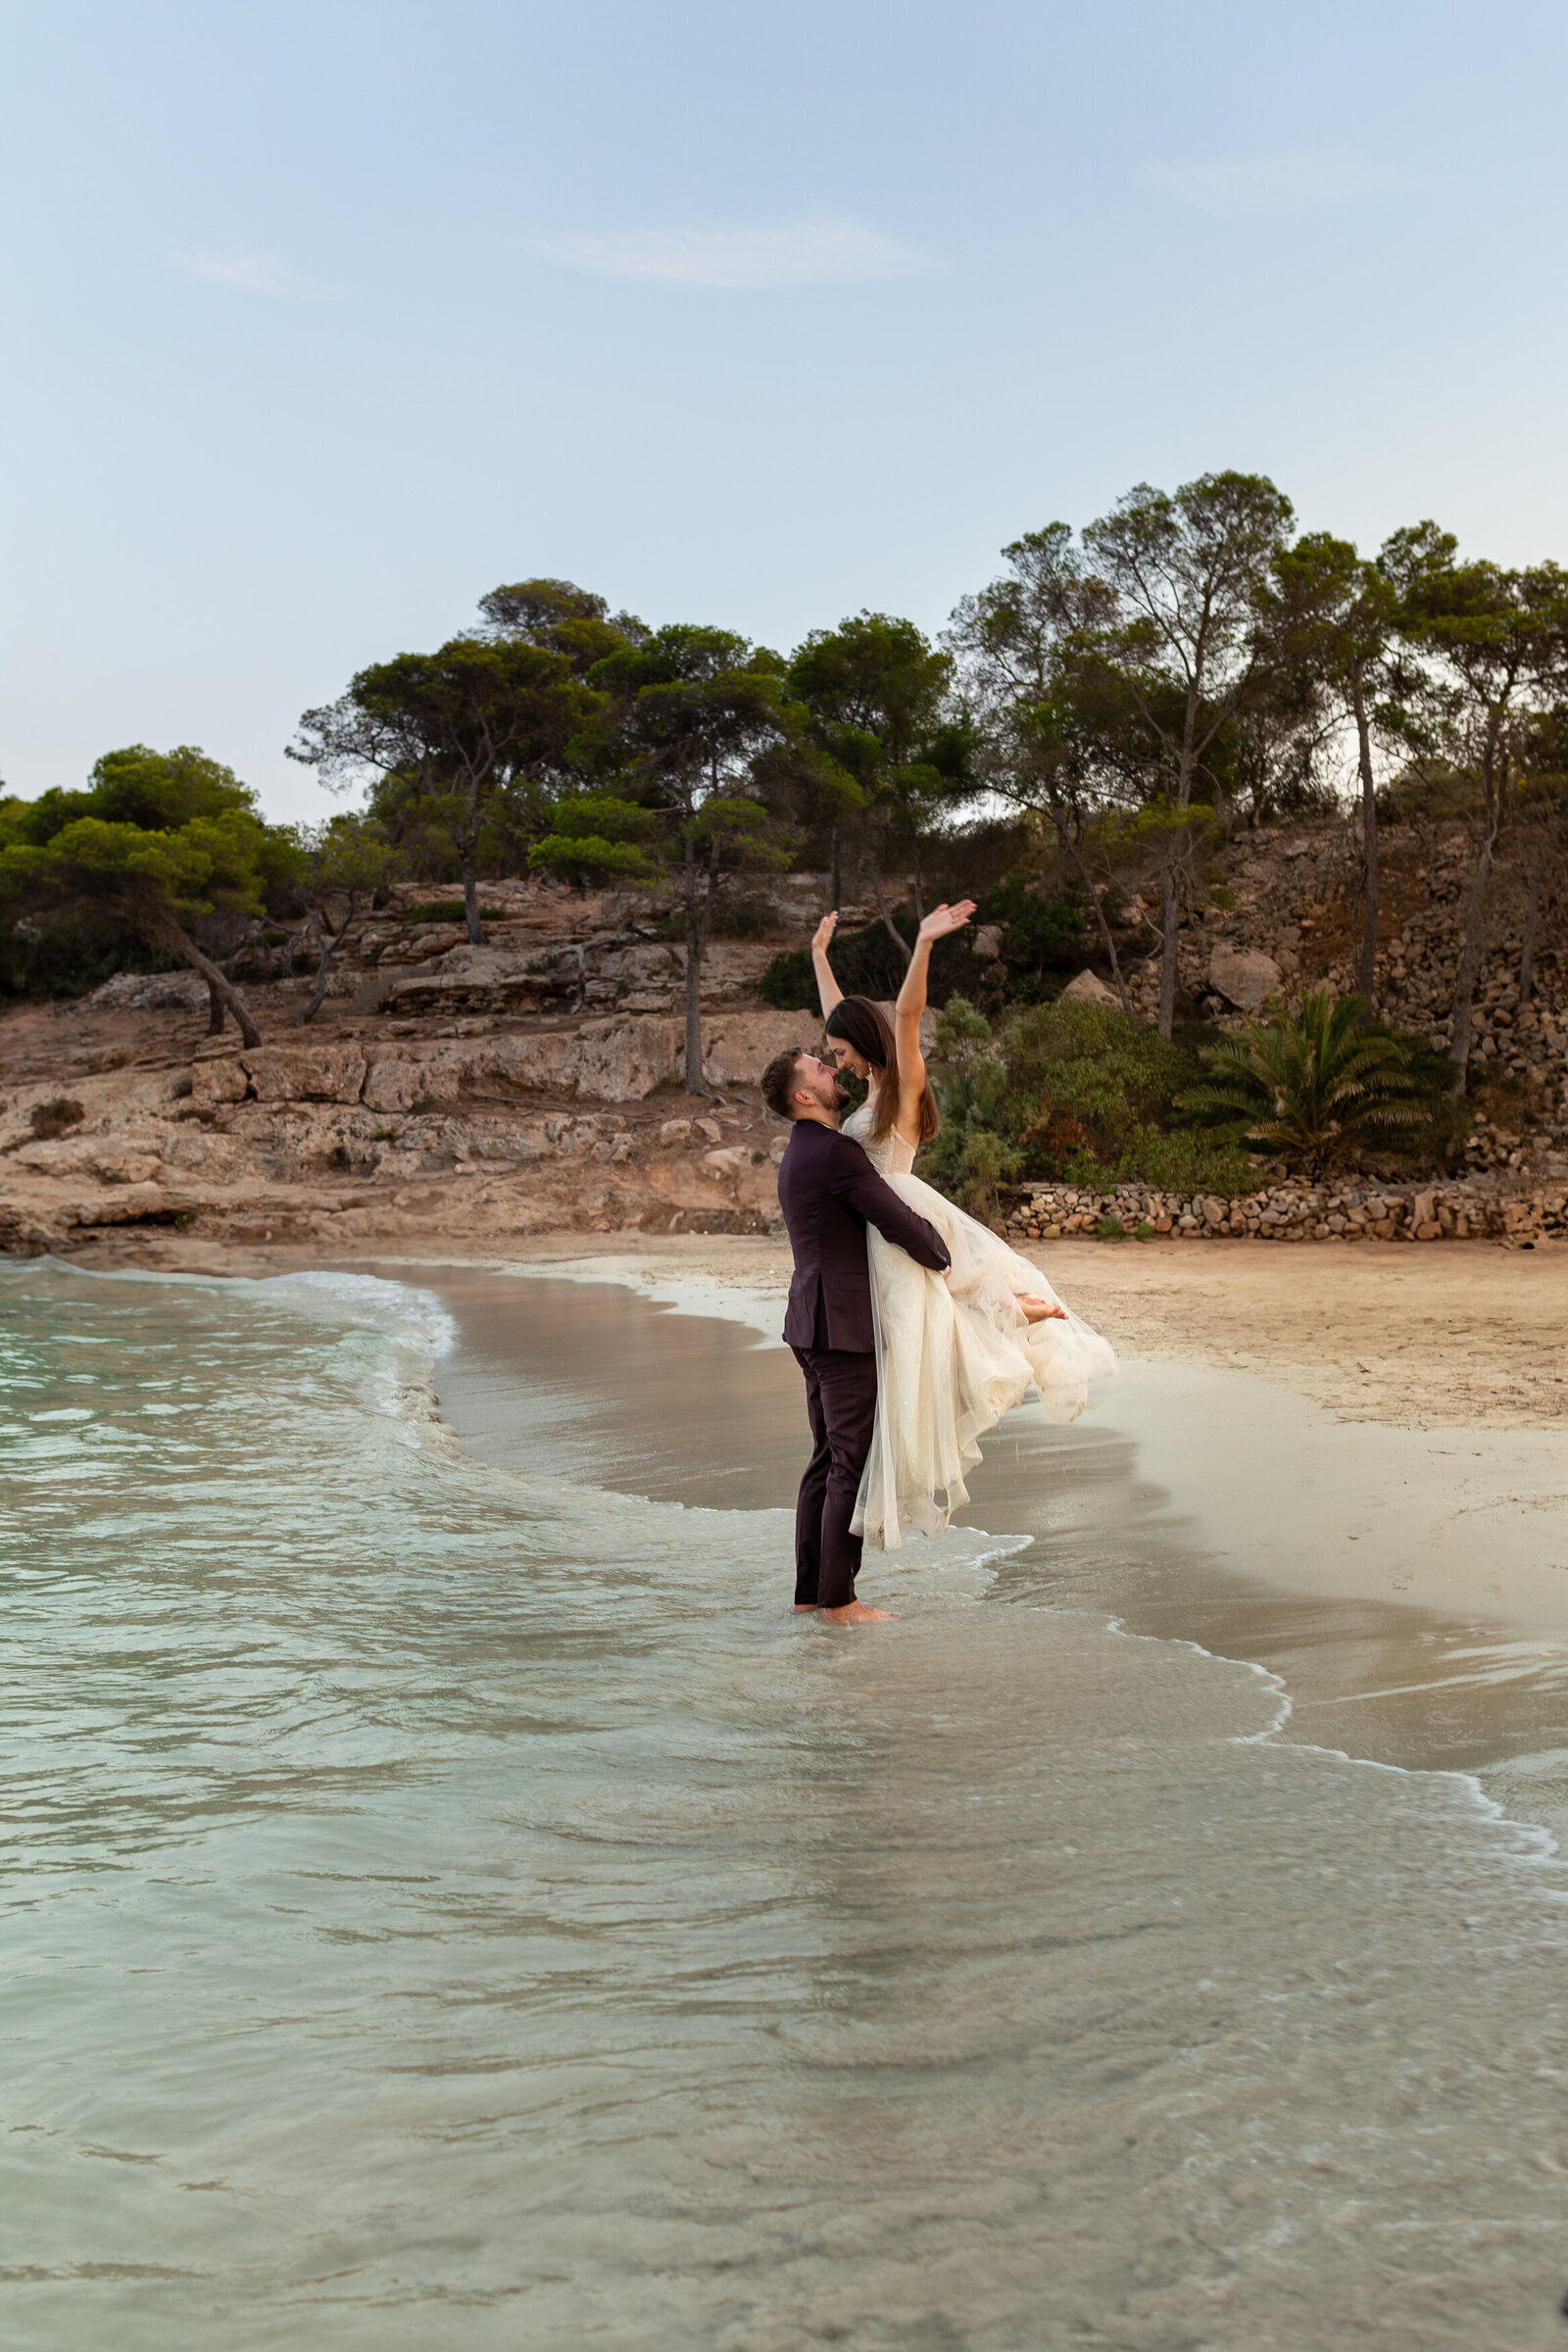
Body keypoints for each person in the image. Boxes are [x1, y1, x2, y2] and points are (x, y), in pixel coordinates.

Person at [810, 902, 1116, 1551]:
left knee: (920, 1334)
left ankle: (1018, 1315)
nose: (836, 1062)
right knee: (927, 1321)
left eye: (840, 1051)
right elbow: (843, 1015)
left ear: (864, 1044)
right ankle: (1020, 1310)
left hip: (899, 1213)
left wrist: (924, 943)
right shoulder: (871, 1084)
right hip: (879, 1222)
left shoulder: (903, 1087)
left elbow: (905, 1017)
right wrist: (818, 955)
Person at [761, 1044, 953, 1624]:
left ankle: (811, 1594)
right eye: (820, 1068)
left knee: (826, 1459)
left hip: (810, 1322)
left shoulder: (799, 1153)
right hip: (841, 1328)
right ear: (804, 1095)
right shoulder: (836, 1152)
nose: (832, 1068)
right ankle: (840, 1602)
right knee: (849, 1460)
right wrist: (941, 1253)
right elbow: (891, 1217)